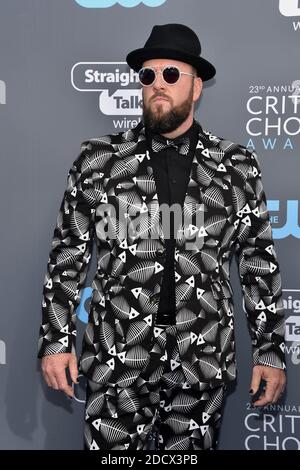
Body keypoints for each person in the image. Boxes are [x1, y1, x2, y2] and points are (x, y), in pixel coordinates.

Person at [38, 23, 286, 451]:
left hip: (201, 362)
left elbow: (257, 262)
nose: (157, 85)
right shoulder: (99, 159)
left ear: (196, 87)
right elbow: (68, 254)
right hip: (117, 360)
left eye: (171, 75)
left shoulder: (236, 165)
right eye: (147, 76)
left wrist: (270, 351)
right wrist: (55, 342)